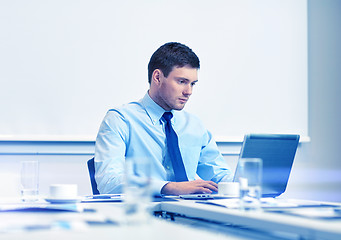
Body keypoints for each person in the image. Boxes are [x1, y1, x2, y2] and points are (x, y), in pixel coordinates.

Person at [94, 42, 232, 196]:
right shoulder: (120, 120)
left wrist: (250, 182)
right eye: (182, 82)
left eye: (193, 84)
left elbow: (219, 175)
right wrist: (168, 187)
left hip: (192, 213)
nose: (189, 91)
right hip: (143, 213)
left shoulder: (194, 125)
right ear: (158, 77)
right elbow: (108, 181)